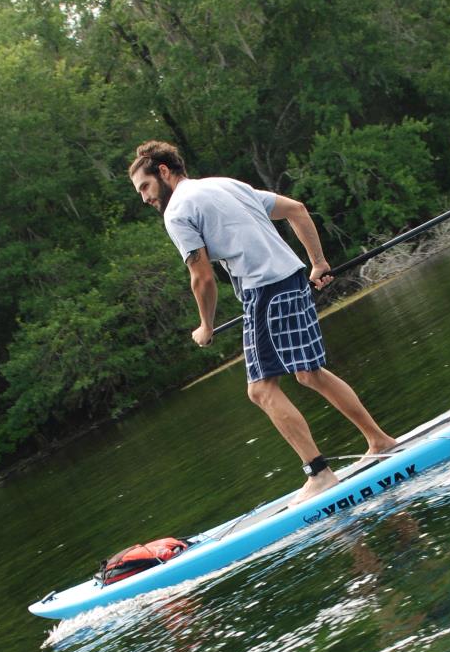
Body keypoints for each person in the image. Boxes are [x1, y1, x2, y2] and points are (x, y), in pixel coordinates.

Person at [129, 140, 396, 504]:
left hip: (264, 291)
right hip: (291, 278)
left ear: (163, 171)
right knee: (309, 373)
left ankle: (319, 472)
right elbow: (296, 210)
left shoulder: (177, 212)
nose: (144, 197)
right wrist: (317, 262)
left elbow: (202, 278)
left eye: (144, 187)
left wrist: (205, 326)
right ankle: (379, 440)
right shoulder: (226, 184)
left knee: (261, 389)